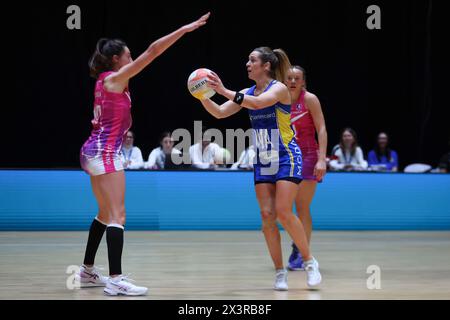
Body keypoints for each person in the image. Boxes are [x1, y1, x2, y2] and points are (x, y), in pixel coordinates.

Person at [77, 12, 210, 296]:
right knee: (118, 215)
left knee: (104, 213)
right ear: (116, 59)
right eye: (128, 55)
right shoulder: (115, 78)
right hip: (104, 153)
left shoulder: (104, 81)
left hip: (91, 151)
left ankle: (87, 271)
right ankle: (115, 279)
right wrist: (183, 30)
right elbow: (153, 51)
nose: (132, 59)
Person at [198, 47, 322, 290]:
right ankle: (279, 272)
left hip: (287, 155)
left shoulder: (279, 88)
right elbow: (221, 113)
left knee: (284, 211)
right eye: (247, 60)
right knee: (267, 216)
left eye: (252, 60)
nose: (247, 63)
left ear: (266, 65)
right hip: (264, 158)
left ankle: (309, 261)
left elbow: (257, 104)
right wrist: (202, 95)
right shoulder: (246, 92)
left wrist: (223, 90)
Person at [285, 66, 327, 271]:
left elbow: (321, 128)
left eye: (297, 78)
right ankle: (297, 242)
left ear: (303, 82)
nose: (293, 81)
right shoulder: (278, 99)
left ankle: (302, 251)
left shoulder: (310, 99)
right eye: (289, 77)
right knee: (282, 209)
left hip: (308, 157)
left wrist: (322, 159)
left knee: (302, 207)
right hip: (285, 158)